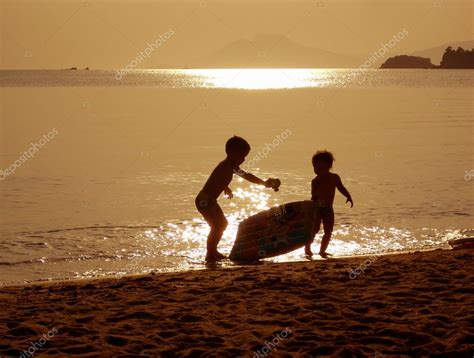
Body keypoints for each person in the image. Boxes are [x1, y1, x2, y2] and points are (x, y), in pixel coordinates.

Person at [196, 136, 280, 262]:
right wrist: (264, 183)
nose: (244, 159)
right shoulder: (227, 165)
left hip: (210, 201)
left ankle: (213, 251)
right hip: (205, 201)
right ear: (232, 153)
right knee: (217, 226)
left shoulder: (230, 166)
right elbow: (247, 176)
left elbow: (218, 179)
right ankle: (210, 254)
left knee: (222, 224)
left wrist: (225, 187)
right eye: (242, 155)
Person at [305, 150, 353, 258]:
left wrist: (348, 196)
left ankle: (322, 251)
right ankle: (307, 247)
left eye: (319, 168)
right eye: (314, 168)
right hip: (317, 209)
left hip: (328, 209)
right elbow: (313, 196)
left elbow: (341, 188)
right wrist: (312, 207)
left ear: (329, 165)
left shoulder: (334, 177)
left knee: (328, 230)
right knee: (315, 229)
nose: (316, 170)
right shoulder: (315, 181)